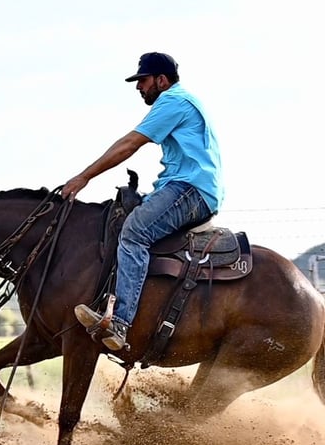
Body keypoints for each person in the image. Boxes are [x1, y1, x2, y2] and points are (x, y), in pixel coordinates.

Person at [61, 52, 224, 352]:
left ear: (162, 80)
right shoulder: (179, 101)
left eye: (143, 81)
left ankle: (121, 323)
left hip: (190, 189)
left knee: (134, 231)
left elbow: (130, 144)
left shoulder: (173, 101)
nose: (139, 88)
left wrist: (84, 177)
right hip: (185, 186)